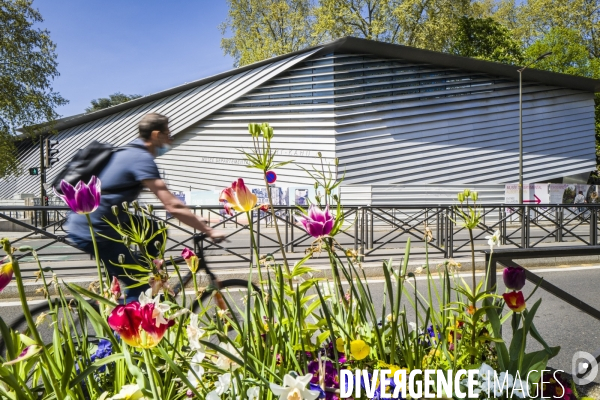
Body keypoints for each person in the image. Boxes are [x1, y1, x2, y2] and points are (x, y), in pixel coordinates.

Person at [65, 113, 225, 299]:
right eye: (168, 134)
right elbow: (172, 205)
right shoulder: (141, 158)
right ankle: (128, 321)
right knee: (140, 284)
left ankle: (151, 269)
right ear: (156, 135)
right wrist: (208, 230)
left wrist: (195, 219)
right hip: (96, 229)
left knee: (157, 229)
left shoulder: (126, 152)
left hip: (98, 221)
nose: (170, 139)